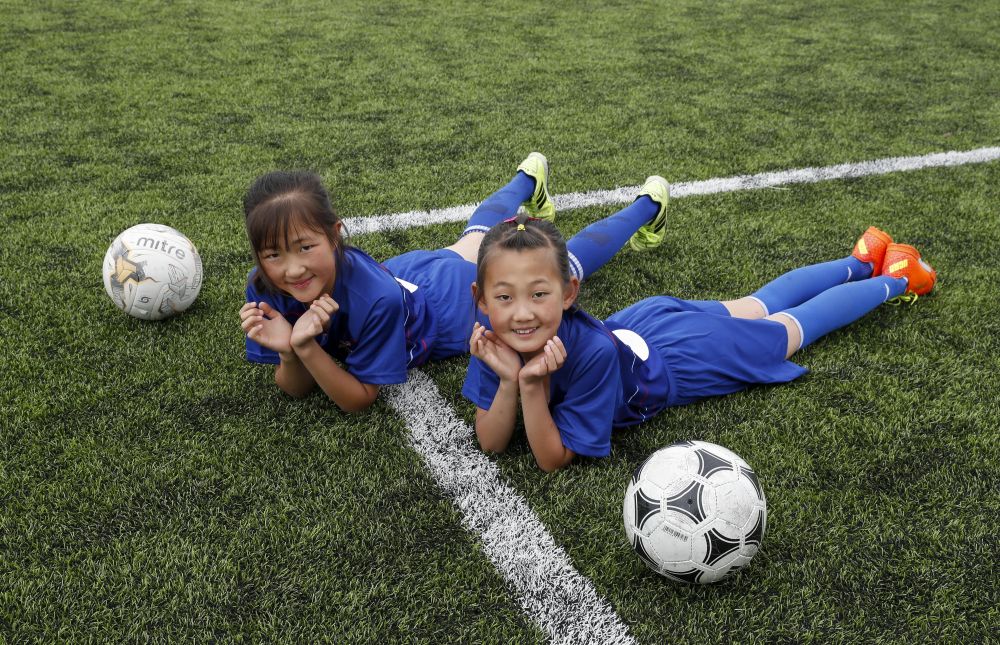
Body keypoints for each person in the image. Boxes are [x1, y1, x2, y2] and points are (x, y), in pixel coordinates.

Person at [463, 217, 937, 473]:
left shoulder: (590, 353)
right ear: (481, 301)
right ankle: (861, 257)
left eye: (539, 294)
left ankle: (895, 276)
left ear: (569, 293)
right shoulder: (495, 342)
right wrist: (510, 379)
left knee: (788, 329)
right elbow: (491, 442)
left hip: (682, 356)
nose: (522, 313)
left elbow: (553, 460)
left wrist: (531, 385)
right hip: (639, 322)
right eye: (504, 297)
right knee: (759, 303)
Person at [237, 154, 671, 412]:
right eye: (273, 254)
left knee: (558, 268)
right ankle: (528, 180)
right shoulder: (264, 288)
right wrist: (291, 351)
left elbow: (359, 399)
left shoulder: (376, 300)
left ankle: (648, 207)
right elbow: (294, 387)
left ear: (335, 234)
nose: (291, 269)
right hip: (405, 274)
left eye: (304, 247)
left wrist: (306, 345)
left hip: (445, 307)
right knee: (476, 237)